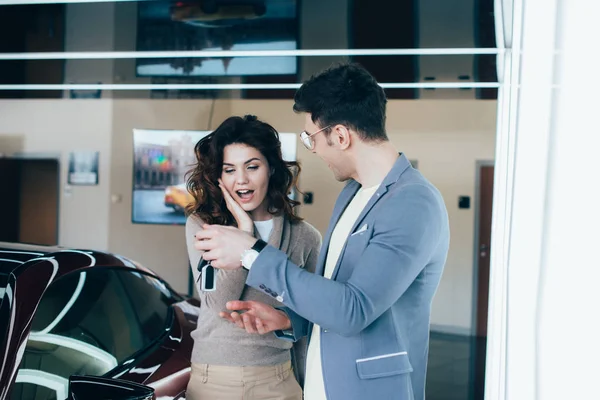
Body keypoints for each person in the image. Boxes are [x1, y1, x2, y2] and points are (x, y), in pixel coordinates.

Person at [194, 63, 450, 400]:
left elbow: (353, 310)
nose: (312, 149)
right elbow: (335, 296)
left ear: (340, 135)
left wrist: (250, 252)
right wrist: (290, 320)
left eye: (311, 138)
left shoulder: (413, 202)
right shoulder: (354, 194)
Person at [184, 115, 322, 400]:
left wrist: (307, 384)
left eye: (252, 166)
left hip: (278, 377)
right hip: (215, 376)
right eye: (230, 170)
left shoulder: (305, 236)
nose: (242, 180)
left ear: (271, 168)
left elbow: (313, 317)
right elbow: (217, 301)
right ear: (218, 177)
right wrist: (246, 234)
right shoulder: (204, 226)